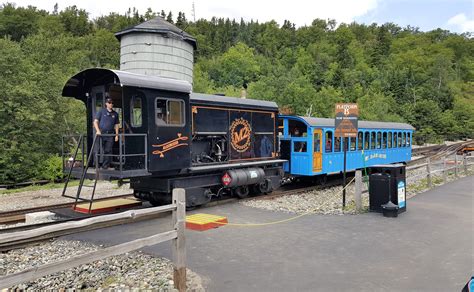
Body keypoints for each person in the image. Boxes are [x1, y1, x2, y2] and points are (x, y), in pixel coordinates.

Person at [94, 98, 119, 169]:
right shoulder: (101, 111)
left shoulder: (115, 114)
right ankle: (96, 165)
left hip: (110, 134)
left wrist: (116, 135)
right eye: (109, 102)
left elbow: (116, 125)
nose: (111, 104)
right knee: (98, 149)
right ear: (106, 104)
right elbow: (95, 122)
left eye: (112, 103)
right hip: (101, 134)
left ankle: (105, 166)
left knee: (108, 150)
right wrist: (98, 131)